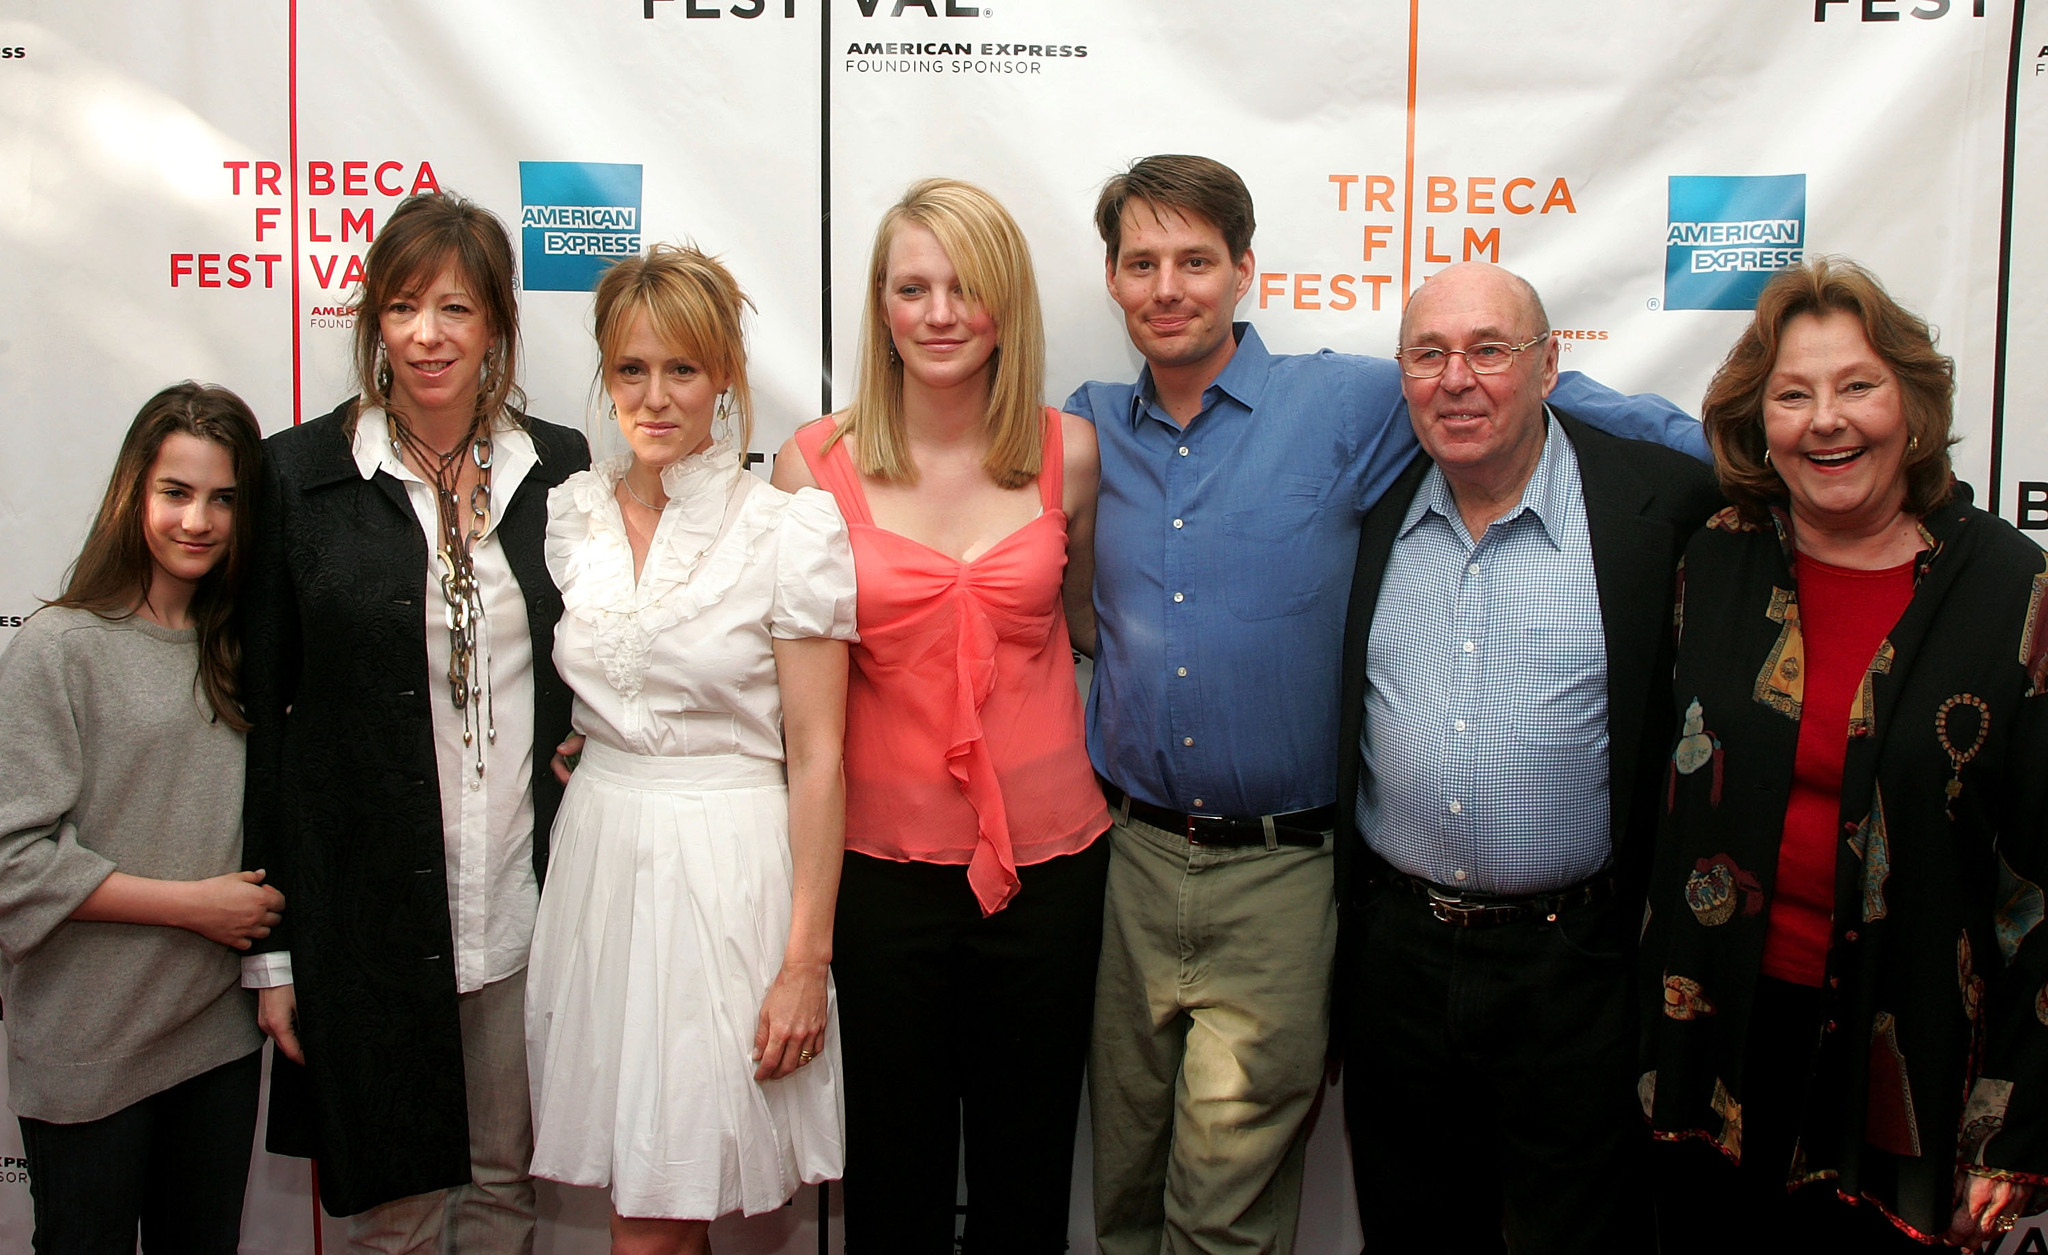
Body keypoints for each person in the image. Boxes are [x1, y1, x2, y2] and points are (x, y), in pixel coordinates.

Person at [1063, 154, 1709, 1254]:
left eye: (1193, 260)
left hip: (1292, 871)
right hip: (1132, 859)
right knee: (1125, 1177)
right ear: (1114, 281)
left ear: (1242, 272)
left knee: (1223, 1205)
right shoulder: (1082, 430)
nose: (1166, 286)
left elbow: (1510, 394)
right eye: (1140, 263)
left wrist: (1757, 442)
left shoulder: (1347, 400)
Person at [1641, 258, 2048, 1251]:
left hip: (1906, 1063)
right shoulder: (1715, 560)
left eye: (1855, 386)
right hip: (1715, 1045)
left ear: (1910, 406)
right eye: (1792, 395)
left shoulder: (2011, 590)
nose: (1824, 419)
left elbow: (2038, 882)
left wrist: (2009, 1133)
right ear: (1759, 424)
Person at [1331, 261, 1720, 1254]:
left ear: (1548, 368)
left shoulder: (1656, 508)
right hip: (1398, 965)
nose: (1455, 378)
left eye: (1488, 350)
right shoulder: (1372, 515)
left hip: (1575, 966)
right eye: (1427, 354)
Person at [239, 192, 591, 1248]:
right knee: (390, 1207)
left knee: (501, 1190)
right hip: (365, 919)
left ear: (497, 327)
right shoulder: (297, 476)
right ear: (372, 324)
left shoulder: (563, 470)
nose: (427, 335)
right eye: (402, 307)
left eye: (455, 308)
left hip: (525, 905)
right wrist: (274, 953)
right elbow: (265, 718)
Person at [771, 177, 1109, 1252]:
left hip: (1052, 871)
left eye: (965, 286)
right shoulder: (810, 465)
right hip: (880, 878)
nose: (940, 313)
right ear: (878, 307)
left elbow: (1091, 623)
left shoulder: (1071, 453)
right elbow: (788, 703)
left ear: (1007, 302)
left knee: (1025, 1179)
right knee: (894, 1186)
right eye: (911, 287)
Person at [524, 243, 856, 1255]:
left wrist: (805, 959)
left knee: (655, 1217)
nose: (655, 396)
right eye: (631, 369)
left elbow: (819, 756)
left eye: (682, 369)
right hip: (599, 868)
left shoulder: (787, 530)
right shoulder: (571, 515)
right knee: (656, 1187)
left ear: (725, 379)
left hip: (728, 874)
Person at [0, 383, 277, 1255]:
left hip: (214, 1042)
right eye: (176, 492)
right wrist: (193, 906)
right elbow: (14, 861)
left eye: (224, 497)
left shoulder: (239, 647)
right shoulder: (59, 645)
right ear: (135, 494)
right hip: (87, 1046)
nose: (199, 519)